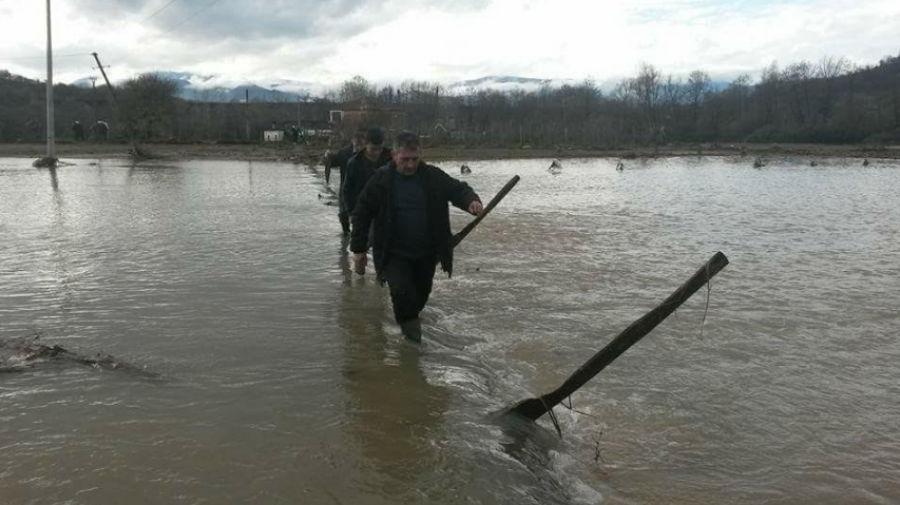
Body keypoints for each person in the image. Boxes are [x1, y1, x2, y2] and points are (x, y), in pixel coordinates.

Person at [350, 131, 483, 342]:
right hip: (393, 252)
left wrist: (471, 201)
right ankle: (412, 346)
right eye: (405, 159)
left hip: (426, 253)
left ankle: (408, 321)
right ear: (394, 155)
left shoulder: (432, 176)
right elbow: (362, 212)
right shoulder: (381, 180)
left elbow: (457, 190)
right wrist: (358, 249)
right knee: (401, 292)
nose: (410, 165)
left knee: (420, 297)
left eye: (415, 159)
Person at [341, 126, 392, 224]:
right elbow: (347, 190)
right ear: (365, 144)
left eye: (379, 149)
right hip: (362, 210)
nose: (377, 152)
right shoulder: (354, 163)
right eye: (373, 149)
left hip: (386, 211)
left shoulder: (391, 159)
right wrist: (350, 213)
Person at [324, 127, 366, 234]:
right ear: (352, 141)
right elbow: (333, 163)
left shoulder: (368, 154)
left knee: (360, 215)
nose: (359, 146)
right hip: (345, 187)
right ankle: (346, 234)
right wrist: (328, 157)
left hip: (363, 188)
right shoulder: (344, 152)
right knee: (343, 214)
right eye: (357, 143)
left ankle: (359, 235)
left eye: (362, 144)